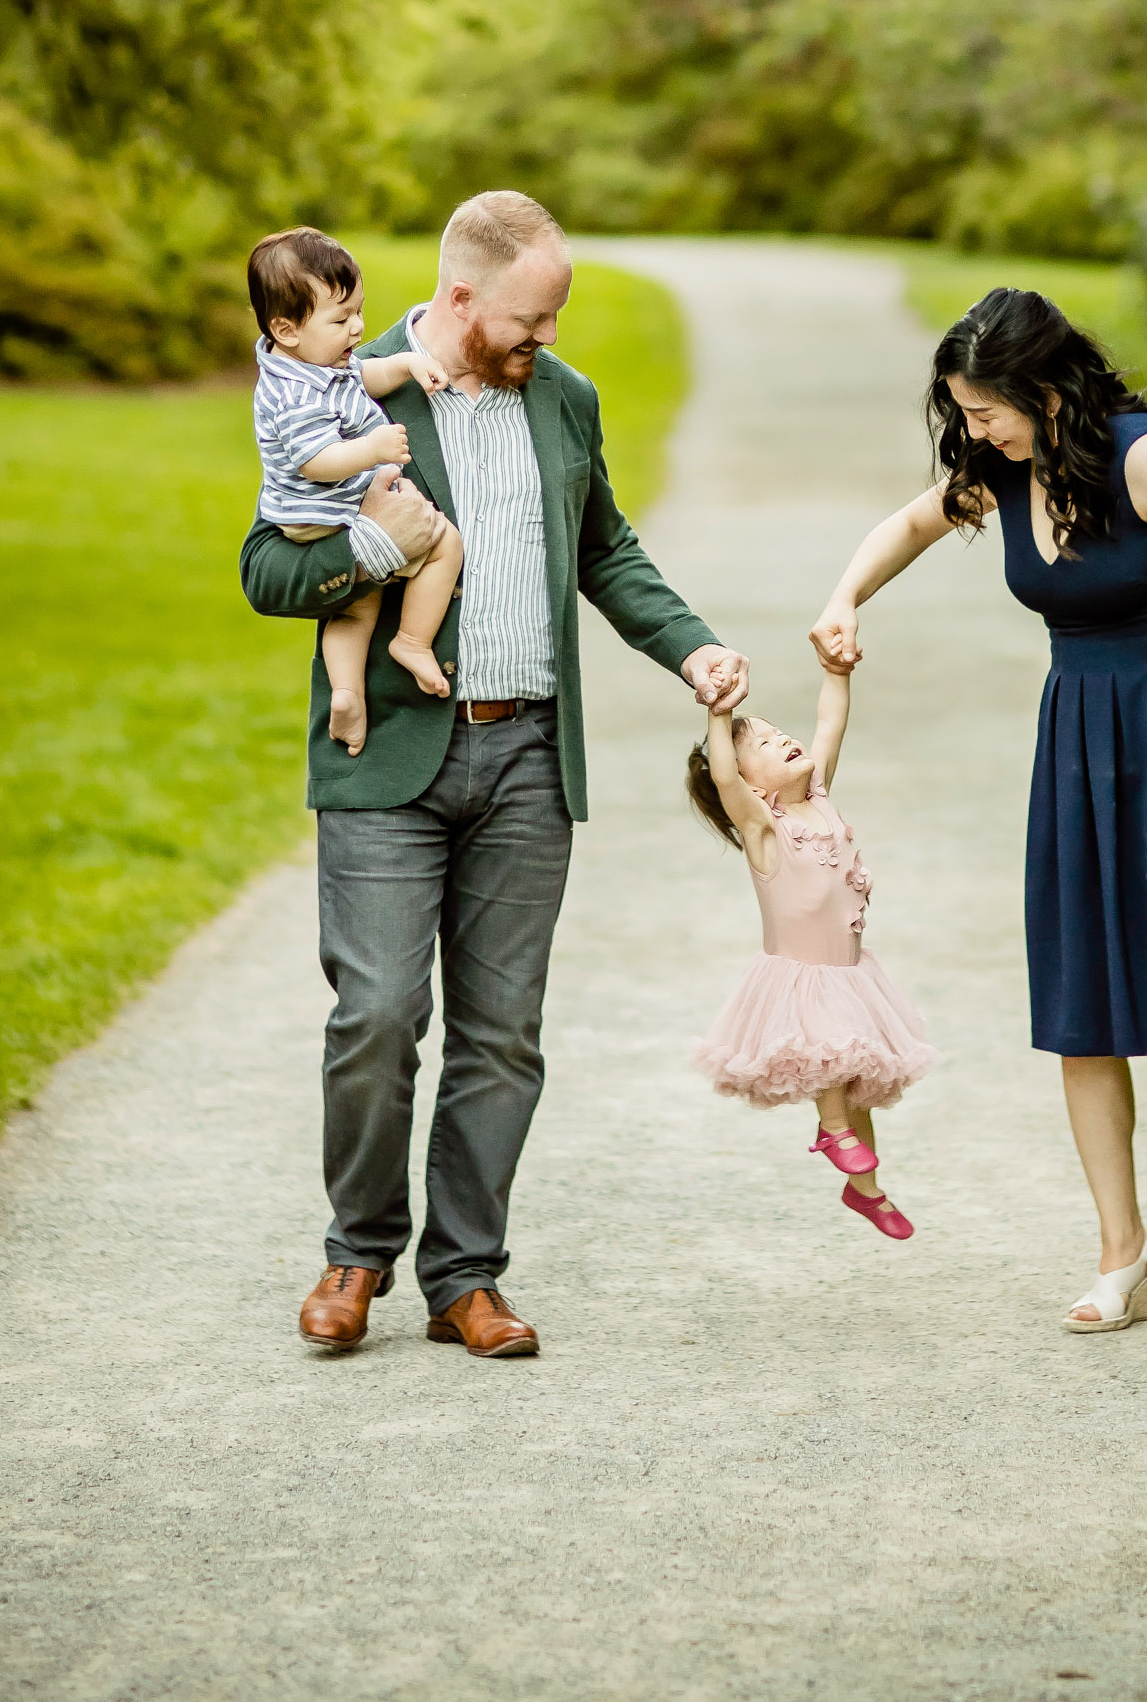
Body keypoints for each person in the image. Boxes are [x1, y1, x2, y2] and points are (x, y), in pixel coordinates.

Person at [241, 189, 750, 1360]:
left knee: (502, 1034)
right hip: (386, 762)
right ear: (460, 299)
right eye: (530, 318)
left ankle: (463, 1278)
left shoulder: (562, 400)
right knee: (376, 1015)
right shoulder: (341, 386)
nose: (549, 339)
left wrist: (691, 646)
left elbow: (604, 549)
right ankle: (355, 1255)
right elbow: (269, 568)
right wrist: (386, 546)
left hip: (528, 756)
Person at [809, 287, 1147, 1333]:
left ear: (1044, 390)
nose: (972, 434)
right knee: (1081, 1004)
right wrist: (844, 598)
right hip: (1081, 743)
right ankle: (1124, 1252)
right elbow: (909, 522)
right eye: (963, 417)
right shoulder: (1000, 475)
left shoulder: (1141, 456)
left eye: (983, 413)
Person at [689, 663, 933, 1241]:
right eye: (766, 746)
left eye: (779, 733)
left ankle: (865, 1191)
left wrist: (836, 671)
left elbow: (831, 721)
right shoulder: (763, 826)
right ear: (753, 785)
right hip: (802, 977)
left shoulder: (820, 800)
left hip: (849, 972)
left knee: (858, 1087)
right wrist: (719, 716)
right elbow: (723, 777)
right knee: (832, 1049)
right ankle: (829, 1130)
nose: (785, 741)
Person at [246, 226, 465, 754]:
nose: (358, 327)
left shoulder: (317, 365)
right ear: (287, 329)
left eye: (359, 311)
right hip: (325, 510)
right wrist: (375, 449)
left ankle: (347, 696)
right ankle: (412, 642)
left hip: (329, 511)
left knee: (354, 604)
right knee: (446, 543)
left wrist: (409, 364)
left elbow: (367, 375)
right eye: (341, 319)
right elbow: (318, 462)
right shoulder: (291, 392)